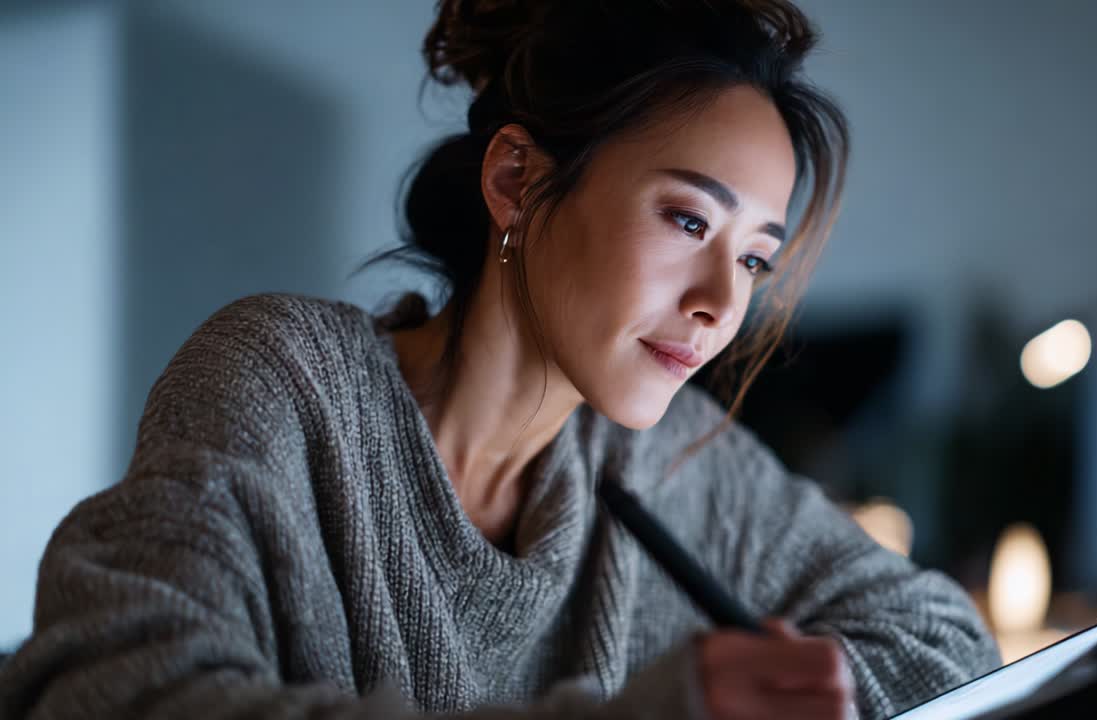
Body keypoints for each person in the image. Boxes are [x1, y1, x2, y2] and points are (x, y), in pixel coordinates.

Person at [0, 1, 1000, 719]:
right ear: (515, 180)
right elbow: (102, 690)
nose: (719, 305)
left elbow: (945, 645)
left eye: (752, 260)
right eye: (687, 219)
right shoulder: (286, 383)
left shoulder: (674, 462)